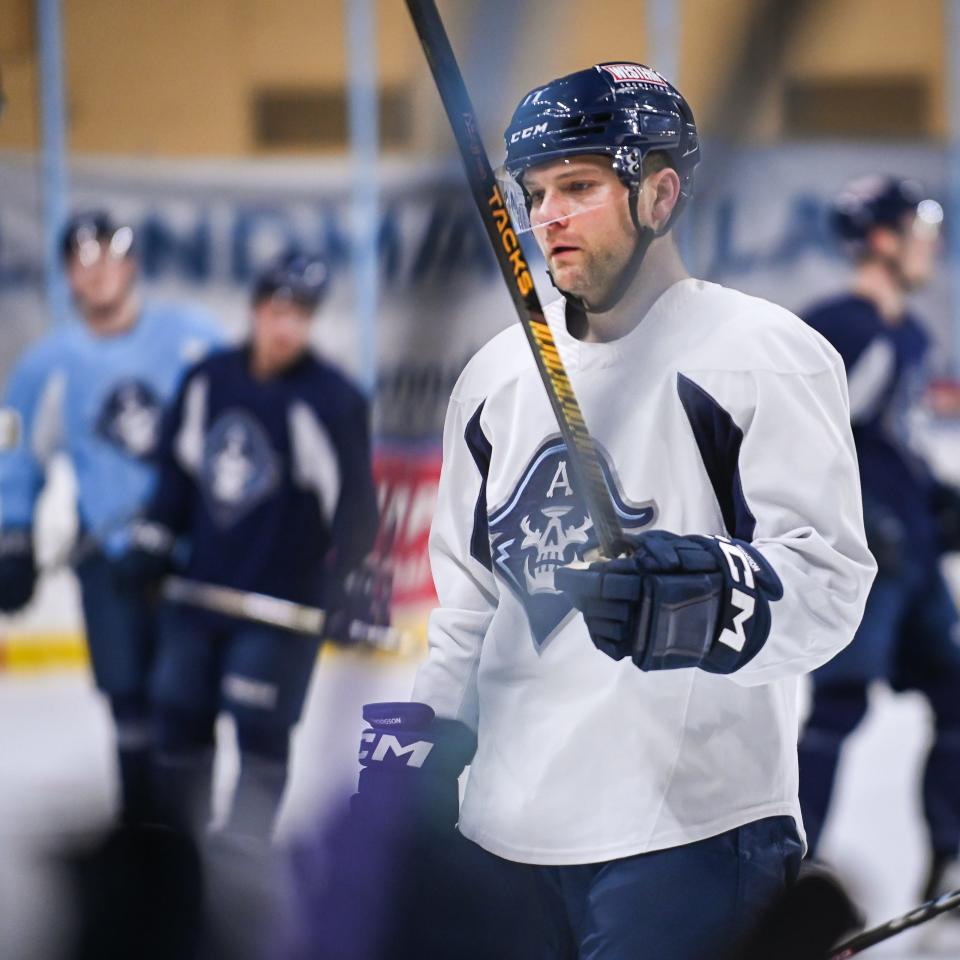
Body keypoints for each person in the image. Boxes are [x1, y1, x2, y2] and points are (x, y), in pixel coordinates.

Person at [351, 62, 876, 959]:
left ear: (661, 193)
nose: (548, 215)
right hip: (501, 838)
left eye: (581, 186)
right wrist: (422, 744)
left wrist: (706, 597)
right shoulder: (493, 377)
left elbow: (828, 583)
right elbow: (470, 601)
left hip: (690, 838)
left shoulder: (765, 355)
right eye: (537, 191)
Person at [121, 250, 379, 842]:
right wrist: (154, 542)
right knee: (177, 719)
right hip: (201, 597)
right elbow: (176, 481)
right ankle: (177, 861)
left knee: (260, 732)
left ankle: (239, 869)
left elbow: (356, 507)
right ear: (257, 307)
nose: (286, 325)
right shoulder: (208, 380)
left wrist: (349, 578)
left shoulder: (333, 400)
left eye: (302, 313)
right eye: (278, 308)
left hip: (280, 609)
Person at [0, 210, 222, 823]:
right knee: (128, 703)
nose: (97, 274)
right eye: (82, 261)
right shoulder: (46, 365)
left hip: (190, 552)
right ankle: (140, 842)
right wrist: (13, 536)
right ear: (68, 275)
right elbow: (15, 454)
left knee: (189, 701)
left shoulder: (193, 337)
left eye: (108, 257)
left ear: (132, 265)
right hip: (108, 557)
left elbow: (240, 424)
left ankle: (193, 849)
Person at [796, 176, 960, 906]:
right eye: (920, 229)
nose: (933, 242)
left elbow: (894, 442)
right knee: (838, 707)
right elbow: (799, 444)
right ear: (885, 239)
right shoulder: (841, 327)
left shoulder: (910, 333)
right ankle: (786, 873)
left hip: (914, 560)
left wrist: (935, 502)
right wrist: (857, 521)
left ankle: (951, 860)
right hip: (866, 559)